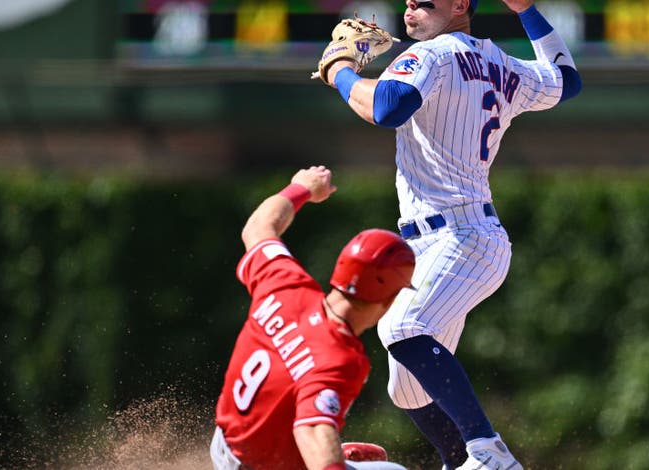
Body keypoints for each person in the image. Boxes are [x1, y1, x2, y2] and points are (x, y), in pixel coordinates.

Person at [320, 0, 582, 468]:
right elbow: (568, 79)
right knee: (405, 387)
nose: (410, 6)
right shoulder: (504, 64)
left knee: (401, 328)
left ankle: (488, 451)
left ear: (460, 4)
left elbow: (387, 107)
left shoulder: (434, 53)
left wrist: (339, 69)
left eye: (425, 1)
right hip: (450, 241)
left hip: (460, 235)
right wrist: (526, 10)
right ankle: (459, 459)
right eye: (409, 1)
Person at [210, 165, 415, 470]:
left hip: (225, 444)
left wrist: (302, 187)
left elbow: (258, 227)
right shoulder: (341, 358)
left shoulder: (284, 285)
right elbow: (312, 432)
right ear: (388, 300)